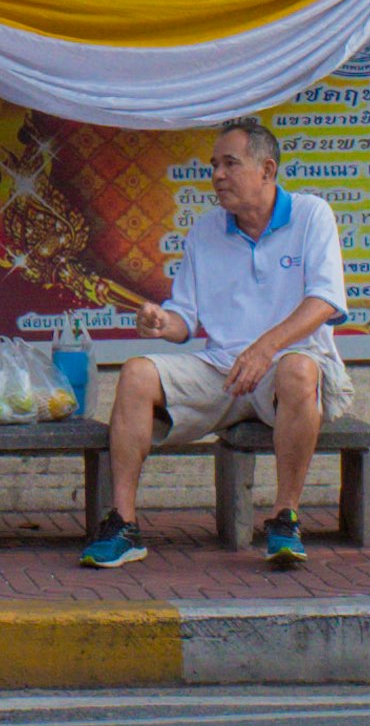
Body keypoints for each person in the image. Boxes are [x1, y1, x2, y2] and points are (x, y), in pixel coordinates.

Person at [81, 113, 351, 574]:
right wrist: (161, 321)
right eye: (213, 166)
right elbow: (186, 318)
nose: (217, 176)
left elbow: (325, 301)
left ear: (267, 170)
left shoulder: (311, 215)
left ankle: (285, 518)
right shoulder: (206, 229)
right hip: (223, 370)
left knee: (298, 369)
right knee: (137, 372)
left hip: (288, 365)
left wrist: (264, 348)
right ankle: (122, 524)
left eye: (229, 164)